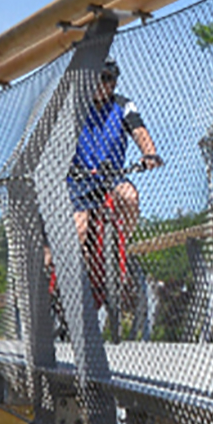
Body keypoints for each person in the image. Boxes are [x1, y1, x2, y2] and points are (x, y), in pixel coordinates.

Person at [68, 58, 161, 316]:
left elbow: (139, 130)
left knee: (129, 197)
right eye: (98, 78)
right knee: (79, 228)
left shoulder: (123, 105)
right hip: (80, 178)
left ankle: (120, 246)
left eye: (108, 79)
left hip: (112, 175)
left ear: (114, 81)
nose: (102, 84)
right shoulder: (76, 106)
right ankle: (73, 282)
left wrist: (149, 154)